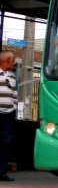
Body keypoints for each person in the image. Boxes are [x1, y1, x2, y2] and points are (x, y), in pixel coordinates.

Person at [0, 50, 18, 181]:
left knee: (6, 143)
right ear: (6, 60)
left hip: (8, 115)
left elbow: (15, 94)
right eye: (13, 61)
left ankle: (2, 172)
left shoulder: (12, 76)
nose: (14, 64)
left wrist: (14, 108)